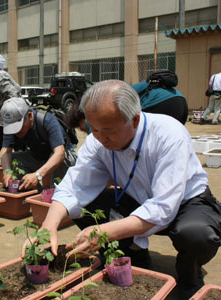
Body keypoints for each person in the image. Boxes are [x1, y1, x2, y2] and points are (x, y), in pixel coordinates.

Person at [30, 80, 221, 300]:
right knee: (86, 207)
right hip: (137, 198)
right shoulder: (98, 141)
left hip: (186, 203)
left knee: (196, 234)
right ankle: (132, 255)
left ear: (135, 120)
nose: (100, 138)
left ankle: (190, 278)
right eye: (95, 129)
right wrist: (48, 226)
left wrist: (103, 232)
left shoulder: (169, 134)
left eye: (108, 131)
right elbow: (74, 186)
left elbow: (163, 206)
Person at [0, 97, 77, 190]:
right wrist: (7, 171)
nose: (16, 132)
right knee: (13, 159)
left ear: (29, 116)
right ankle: (34, 194)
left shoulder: (47, 120)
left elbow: (59, 153)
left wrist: (37, 175)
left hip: (63, 160)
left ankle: (55, 194)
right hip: (38, 157)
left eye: (18, 127)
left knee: (58, 158)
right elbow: (6, 151)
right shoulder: (12, 126)